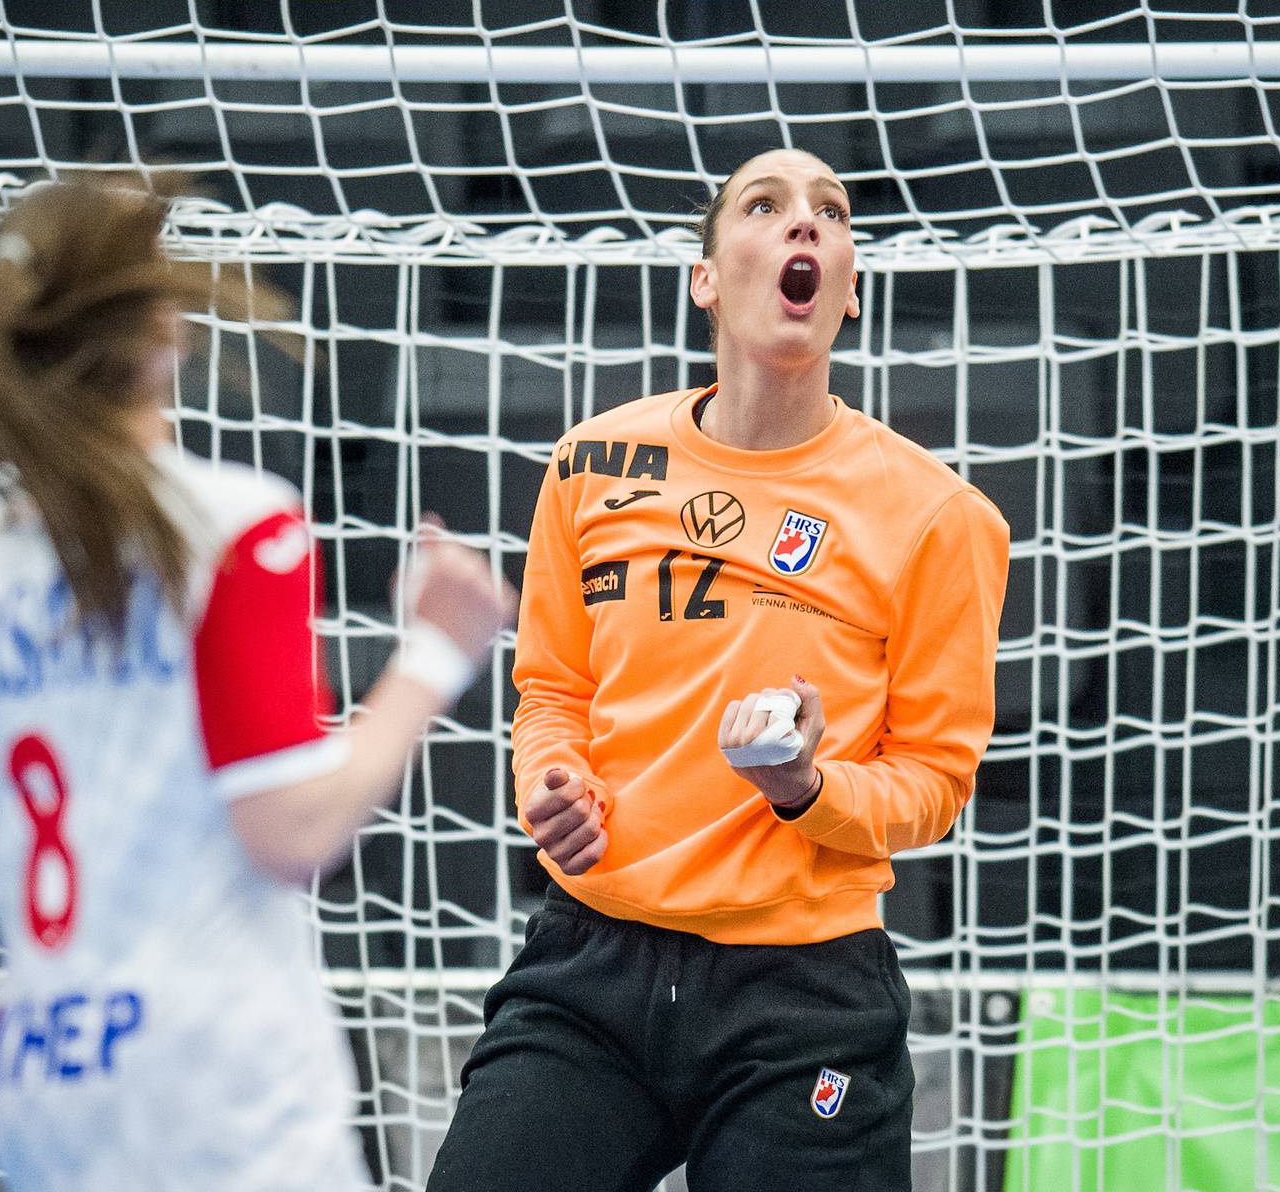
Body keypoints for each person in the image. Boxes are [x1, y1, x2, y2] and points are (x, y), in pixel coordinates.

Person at [0, 176, 514, 1191]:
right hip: (221, 1084)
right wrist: (438, 652)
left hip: (40, 1084)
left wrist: (1, 720)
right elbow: (293, 831)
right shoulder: (226, 521)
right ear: (159, 335)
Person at [427, 148, 1011, 1191]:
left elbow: (936, 784)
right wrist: (550, 787)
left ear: (850, 288)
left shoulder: (937, 515)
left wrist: (808, 787)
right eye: (767, 204)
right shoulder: (593, 462)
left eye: (832, 214)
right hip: (591, 963)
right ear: (705, 275)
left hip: (805, 991)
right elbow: (553, 692)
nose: (806, 226)